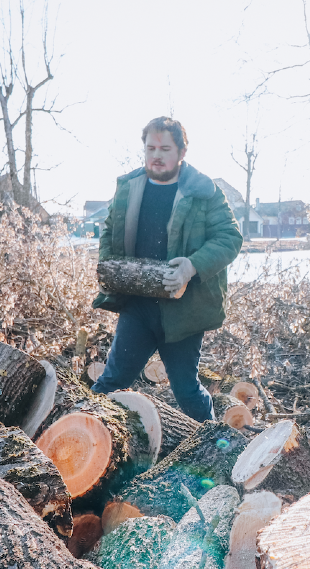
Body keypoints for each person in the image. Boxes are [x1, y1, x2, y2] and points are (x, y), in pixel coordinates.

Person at [91, 117, 242, 420]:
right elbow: (108, 230)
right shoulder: (128, 186)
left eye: (165, 148)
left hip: (185, 310)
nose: (156, 155)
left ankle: (214, 448)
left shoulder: (204, 191)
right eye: (151, 148)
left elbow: (230, 237)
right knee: (111, 382)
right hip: (137, 307)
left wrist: (191, 267)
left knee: (186, 389)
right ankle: (73, 439)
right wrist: (110, 267)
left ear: (181, 152)